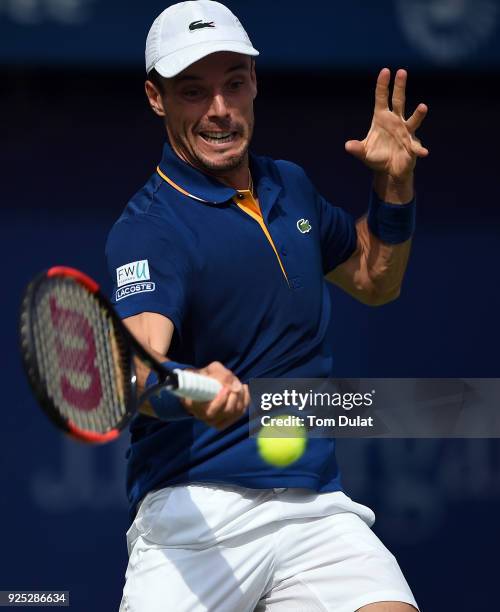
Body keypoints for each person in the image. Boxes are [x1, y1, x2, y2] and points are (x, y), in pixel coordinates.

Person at [106, 1, 428, 610]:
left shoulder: (290, 186)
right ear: (156, 98)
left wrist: (394, 186)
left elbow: (375, 279)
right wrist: (194, 387)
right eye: (194, 91)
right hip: (193, 517)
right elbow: (138, 367)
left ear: (255, 81)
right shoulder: (150, 230)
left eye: (233, 83)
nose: (220, 110)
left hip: (315, 511)